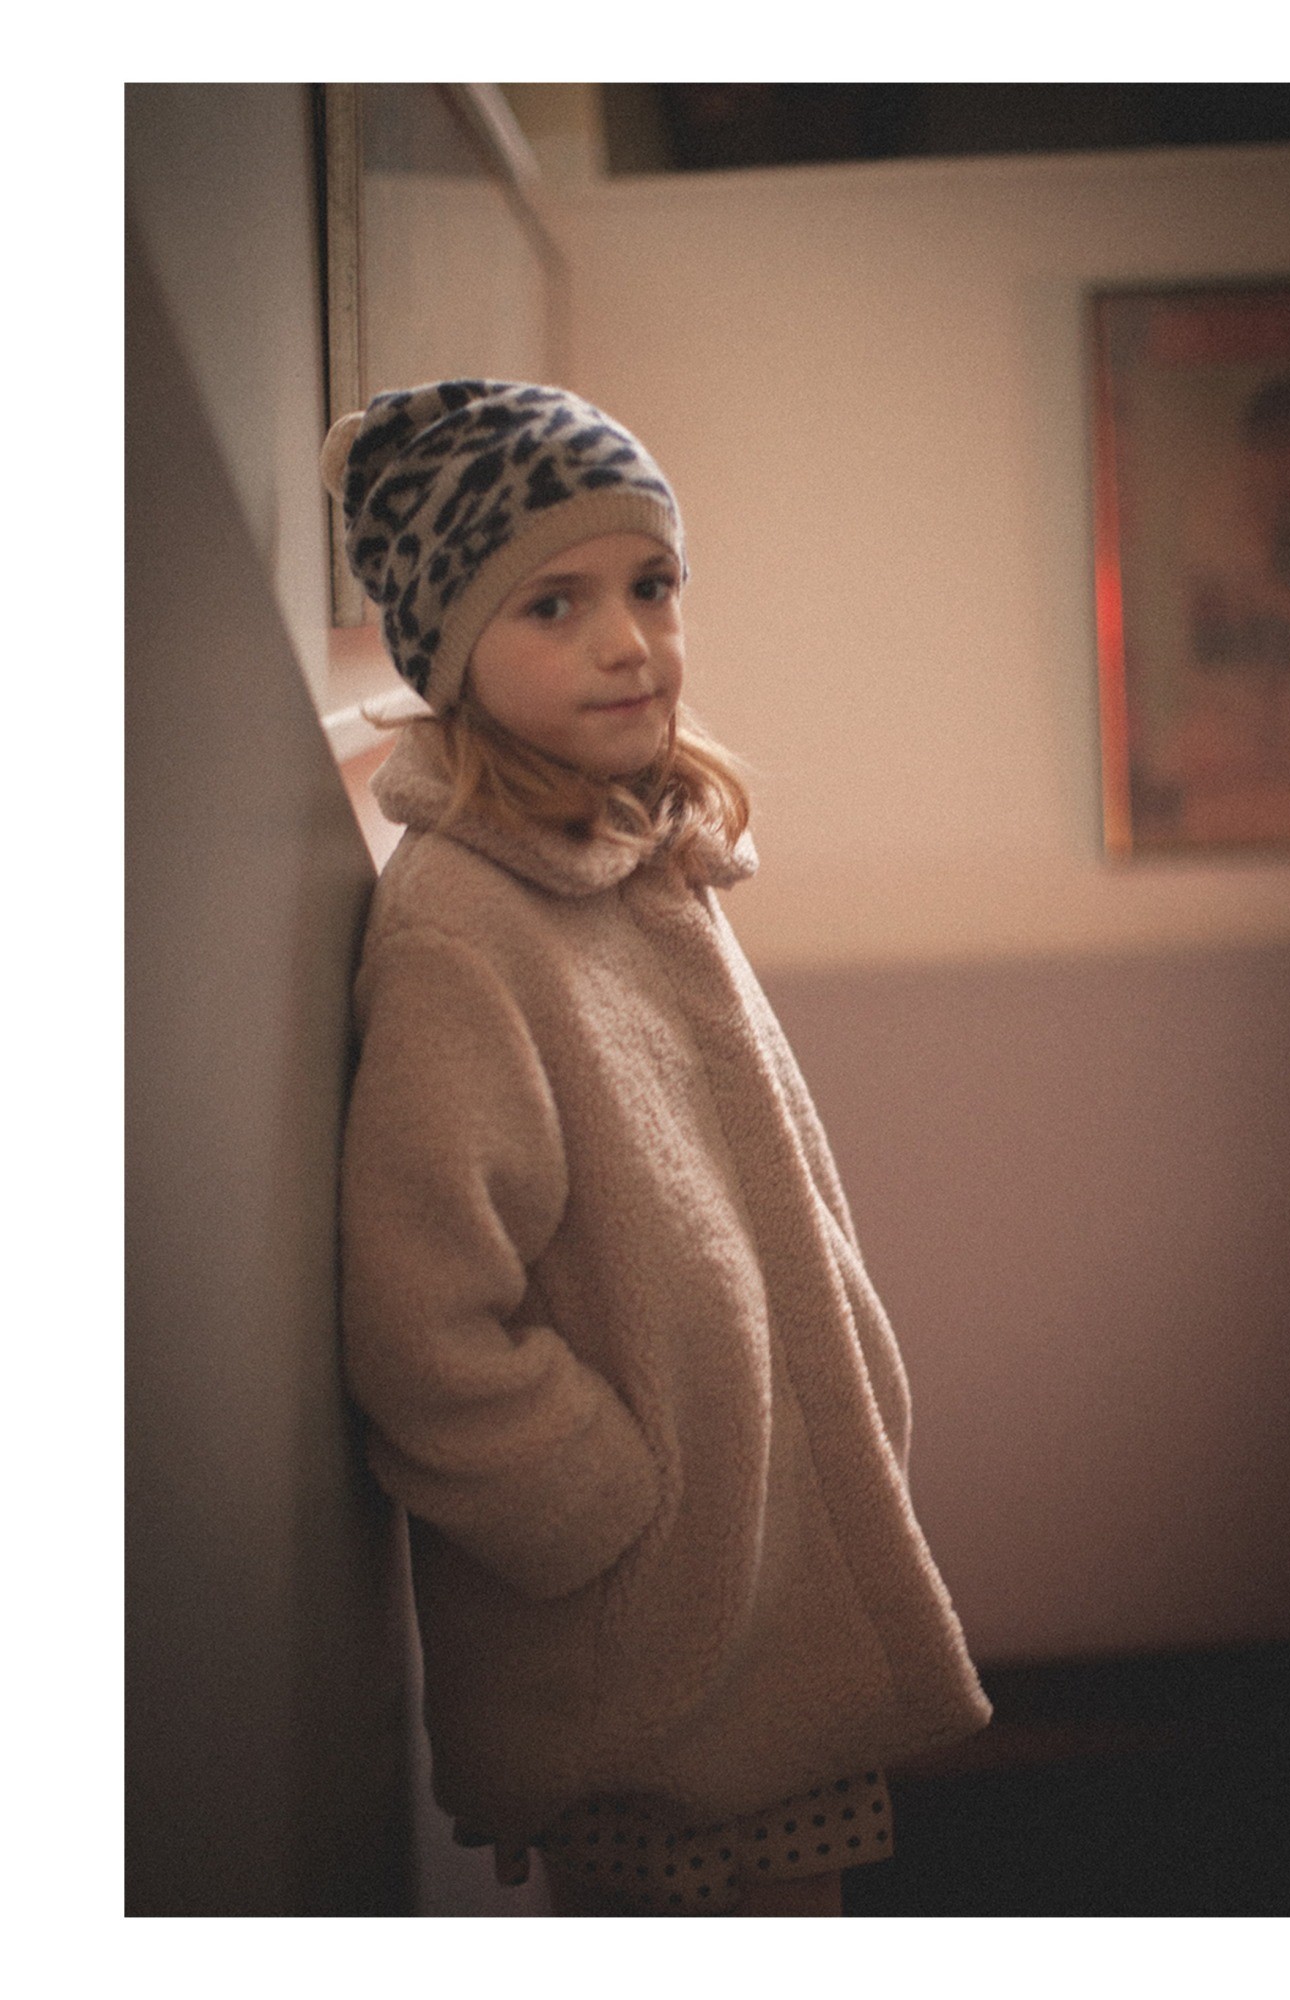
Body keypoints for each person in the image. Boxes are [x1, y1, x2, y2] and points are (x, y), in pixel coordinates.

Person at [322, 381, 990, 1917]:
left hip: (761, 1594)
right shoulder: (462, 929)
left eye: (652, 584)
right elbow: (423, 1329)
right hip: (646, 1641)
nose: (629, 642)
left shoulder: (639, 858)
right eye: (553, 605)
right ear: (449, 650)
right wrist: (612, 1513)